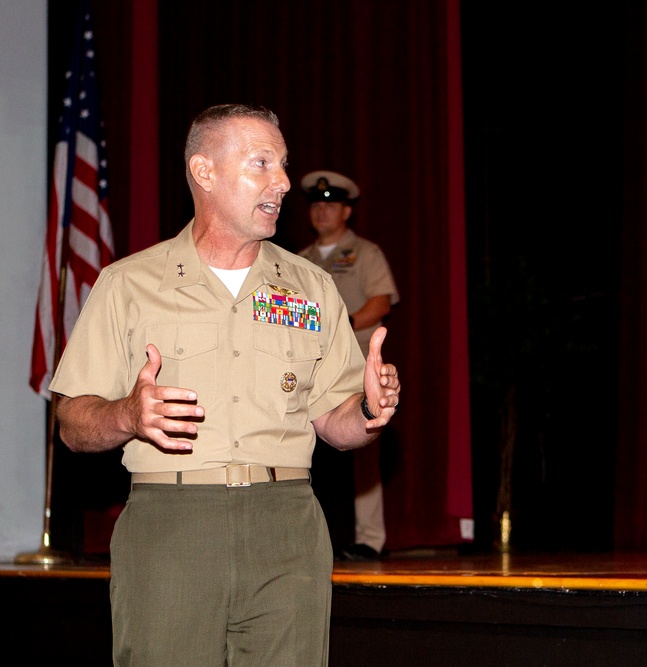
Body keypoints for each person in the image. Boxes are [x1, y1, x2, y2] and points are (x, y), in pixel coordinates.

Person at [48, 103, 400, 666]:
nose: (282, 183)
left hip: (287, 527)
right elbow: (70, 423)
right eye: (261, 164)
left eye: (283, 165)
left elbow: (335, 421)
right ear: (204, 172)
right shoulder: (129, 285)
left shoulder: (310, 286)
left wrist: (367, 410)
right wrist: (127, 416)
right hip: (171, 527)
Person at [298, 170, 400, 560]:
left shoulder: (365, 252)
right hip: (307, 364)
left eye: (330, 204)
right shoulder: (298, 260)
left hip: (356, 359)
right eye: (316, 204)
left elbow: (382, 302)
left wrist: (341, 327)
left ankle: (369, 539)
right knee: (311, 448)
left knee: (366, 442)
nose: (321, 211)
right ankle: (318, 535)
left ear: (347, 211)